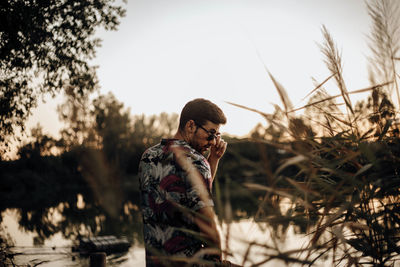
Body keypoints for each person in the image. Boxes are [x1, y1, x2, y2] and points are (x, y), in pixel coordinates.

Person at [138, 98, 230, 266]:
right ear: (190, 126)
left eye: (217, 135)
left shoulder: (148, 157)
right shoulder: (196, 162)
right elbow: (210, 231)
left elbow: (194, 193)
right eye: (210, 134)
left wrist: (213, 160)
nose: (212, 142)